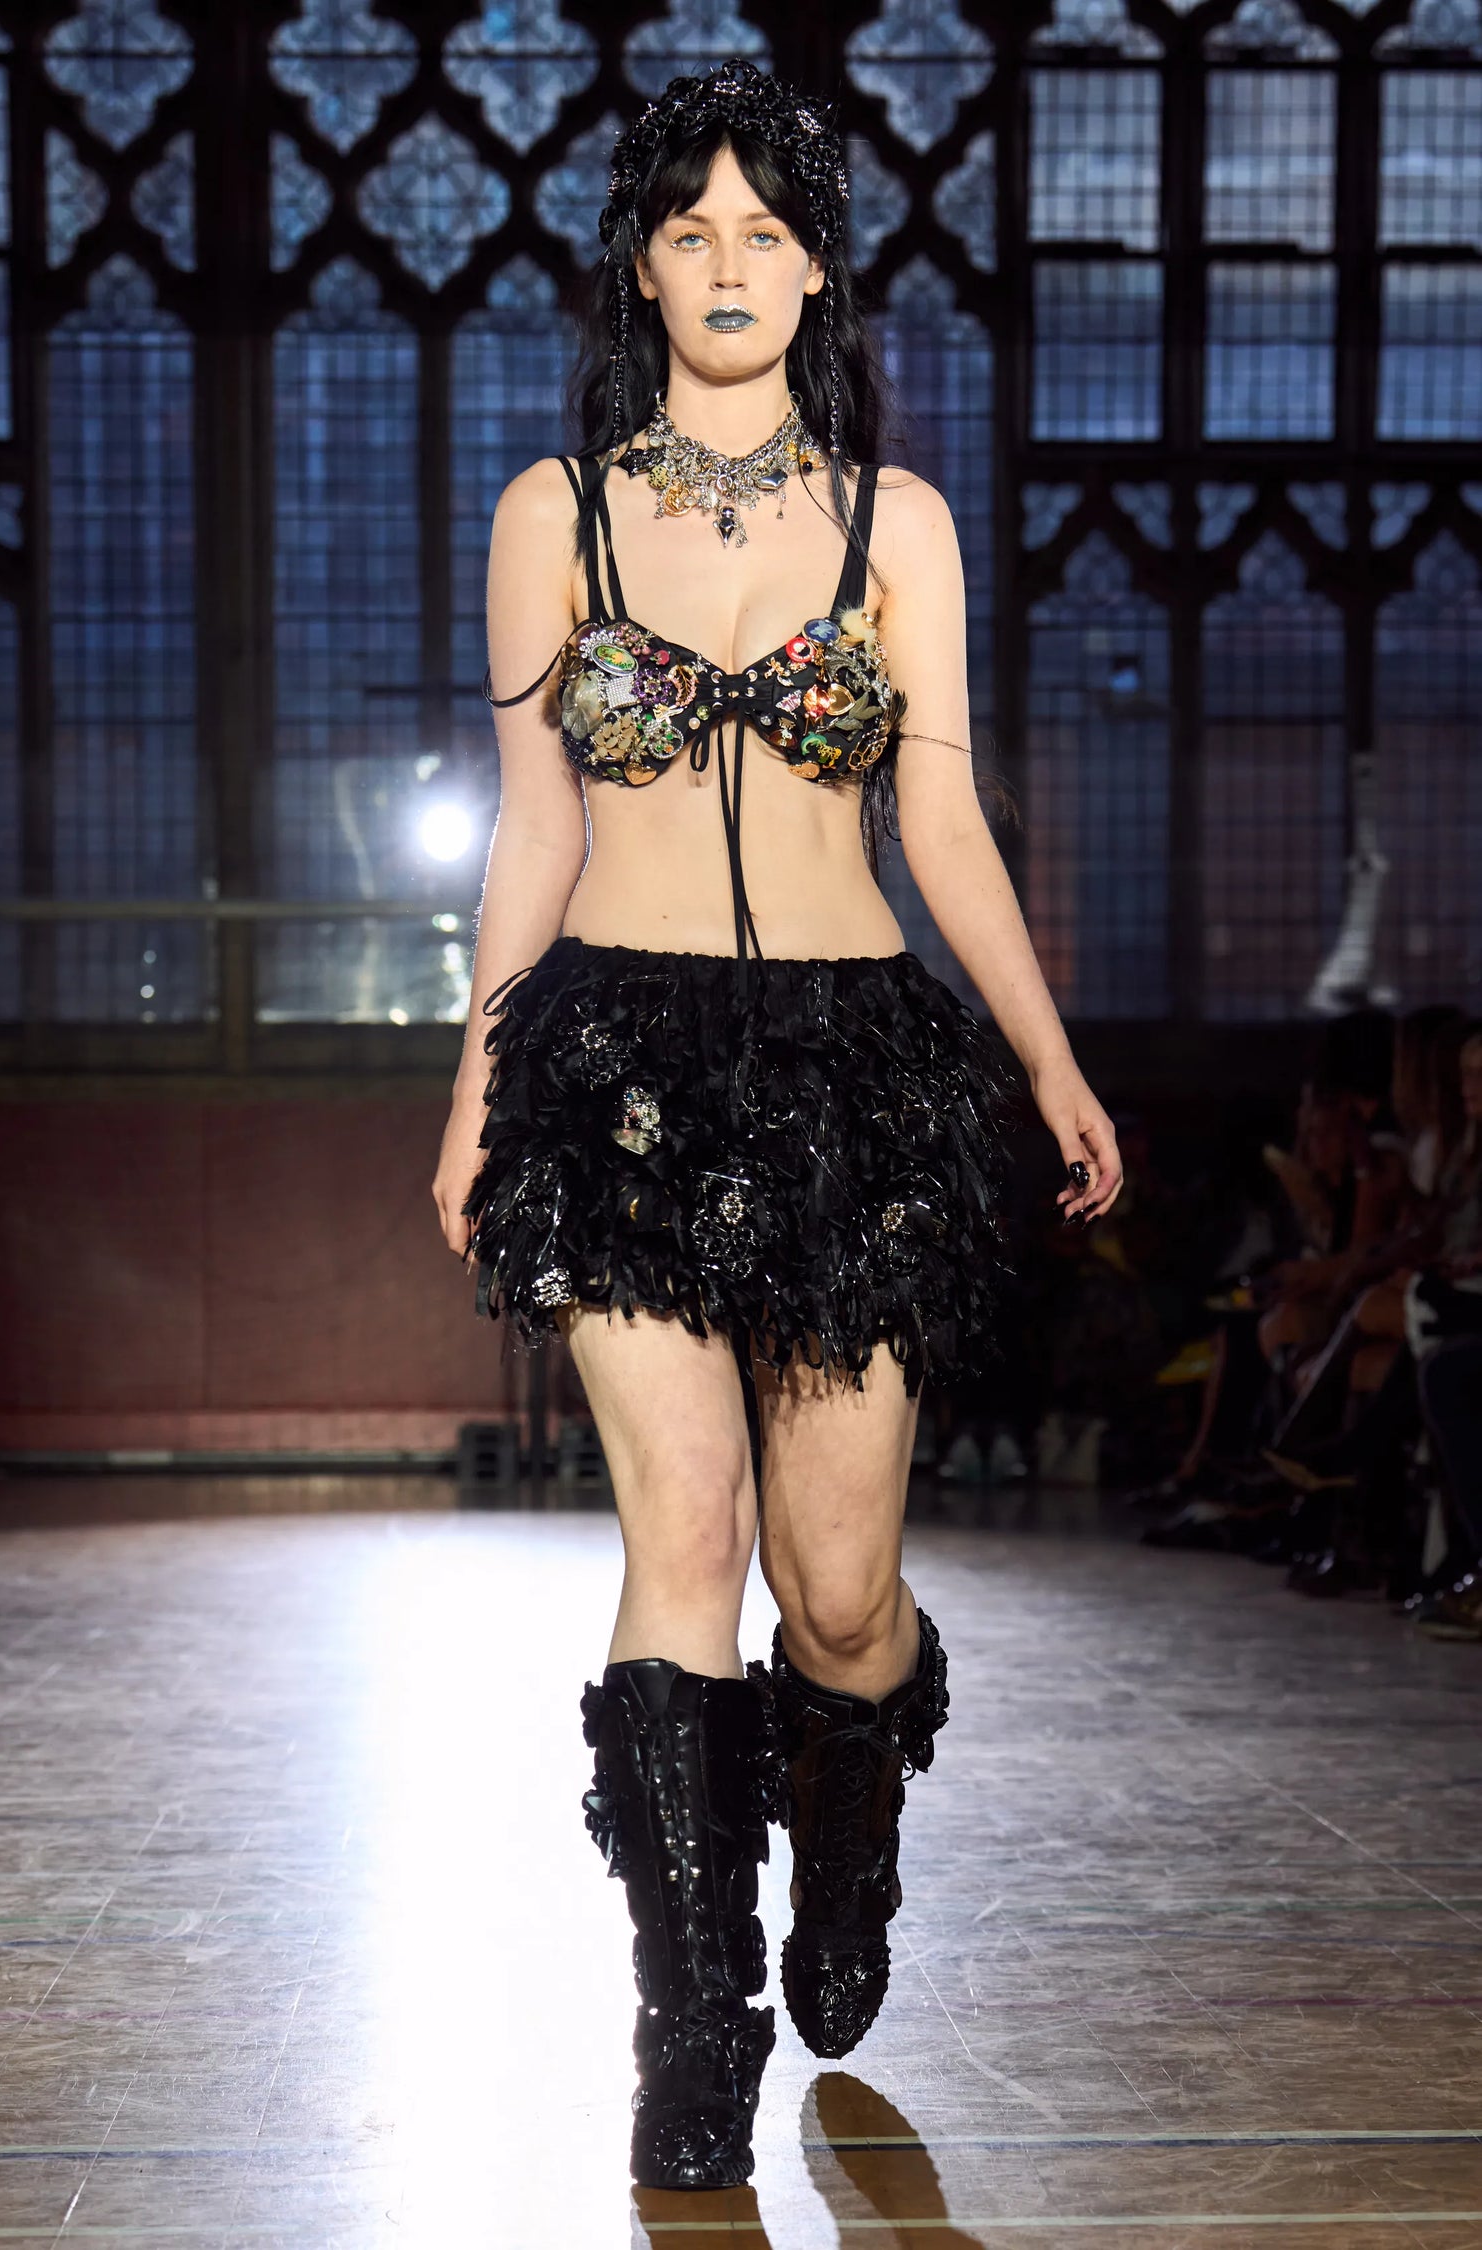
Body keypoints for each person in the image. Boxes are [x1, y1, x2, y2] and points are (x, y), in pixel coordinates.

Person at [430, 60, 1122, 2193]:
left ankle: (851, 1792)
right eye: (689, 228)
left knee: (835, 1595)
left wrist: (1048, 1057)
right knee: (688, 1529)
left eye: (767, 229)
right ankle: (692, 2014)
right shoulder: (553, 514)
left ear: (819, 267)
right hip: (614, 1066)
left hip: (855, 1072)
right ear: (640, 265)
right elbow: (535, 827)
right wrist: (473, 1086)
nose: (727, 263)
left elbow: (945, 824)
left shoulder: (895, 523)